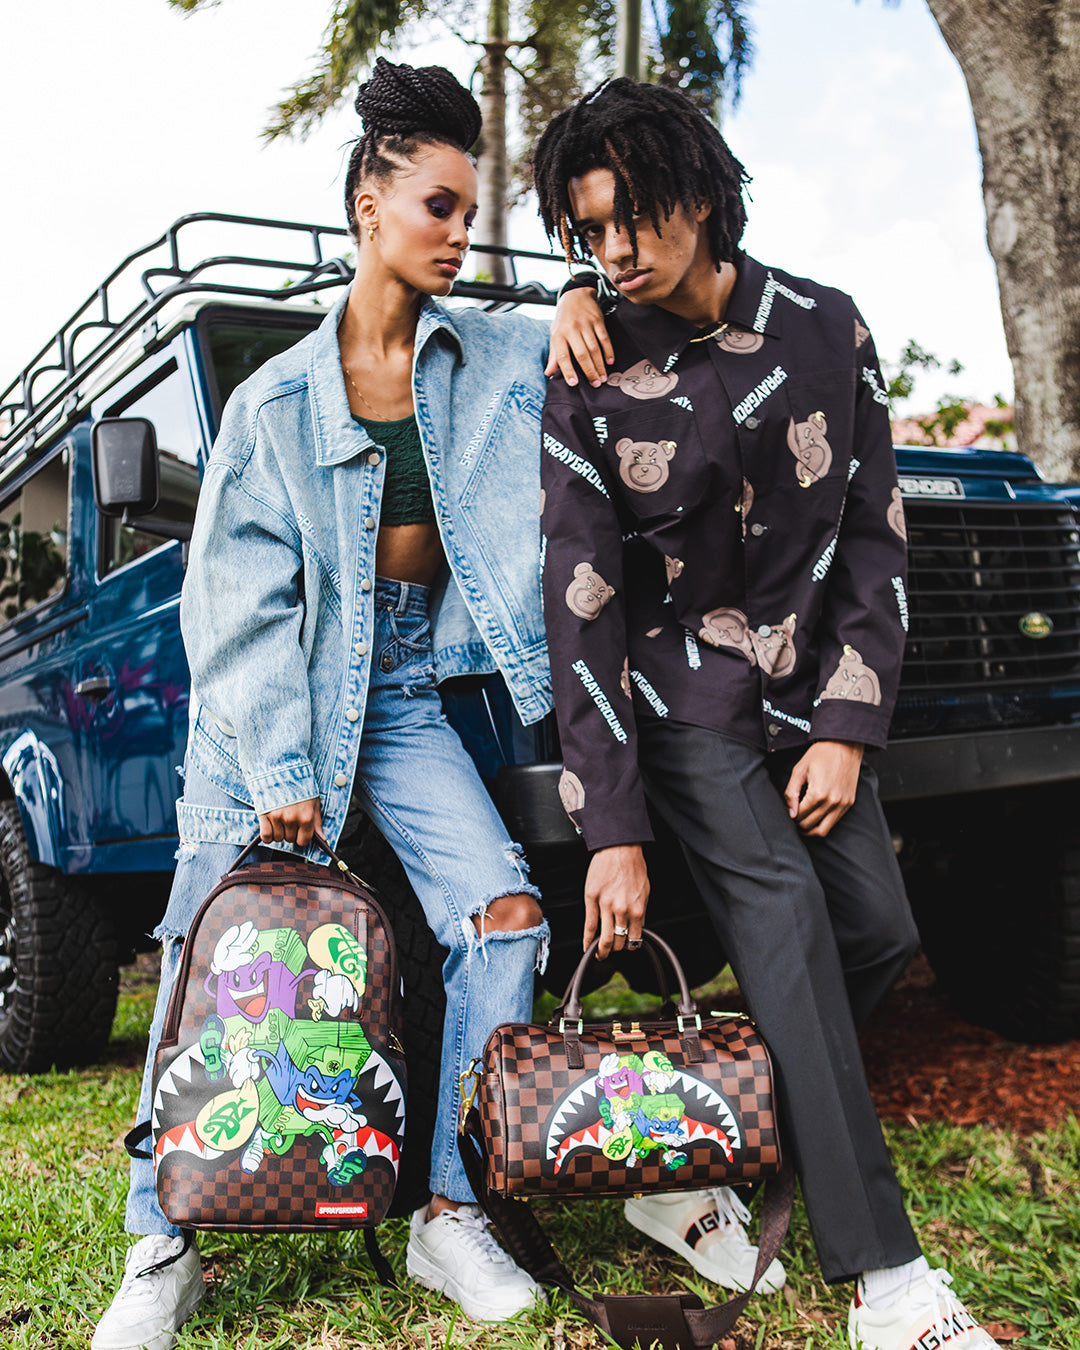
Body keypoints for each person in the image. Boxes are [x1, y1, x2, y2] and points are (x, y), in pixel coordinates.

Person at [92, 58, 611, 1350]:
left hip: (404, 689)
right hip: (269, 704)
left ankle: (450, 1208)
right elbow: (238, 606)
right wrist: (280, 765)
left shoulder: (493, 351)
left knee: (502, 916)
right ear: (369, 207)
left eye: (470, 212)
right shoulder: (274, 403)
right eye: (439, 206)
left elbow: (595, 329)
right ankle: (160, 1244)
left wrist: (580, 292)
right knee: (205, 944)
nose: (459, 233)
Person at [532, 78, 1002, 1350]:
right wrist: (612, 824)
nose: (614, 250)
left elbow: (874, 535)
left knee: (876, 929)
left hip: (811, 697)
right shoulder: (585, 367)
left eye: (631, 217)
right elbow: (580, 604)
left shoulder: (826, 328)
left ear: (701, 194)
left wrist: (848, 724)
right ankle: (886, 1283)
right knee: (787, 922)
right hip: (681, 700)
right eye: (588, 231)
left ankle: (686, 1152)